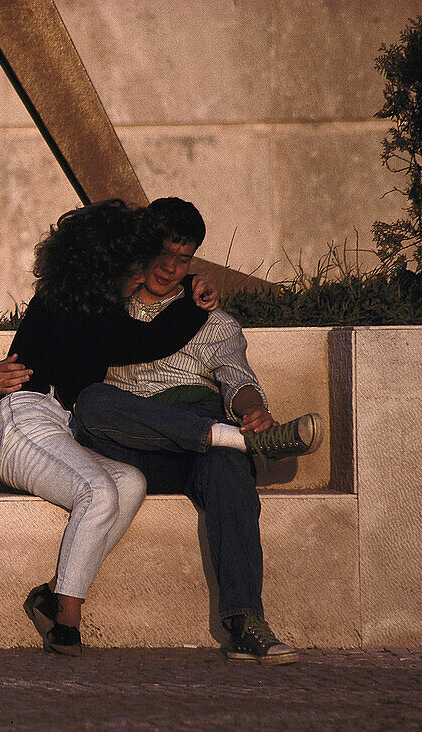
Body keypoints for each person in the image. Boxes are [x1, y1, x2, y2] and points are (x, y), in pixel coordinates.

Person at [70, 197, 321, 665]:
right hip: (131, 441)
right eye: (162, 254)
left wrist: (255, 411)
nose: (170, 268)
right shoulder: (109, 311)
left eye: (183, 259)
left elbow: (237, 377)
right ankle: (238, 441)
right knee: (92, 402)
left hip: (197, 434)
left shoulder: (214, 321)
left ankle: (246, 622)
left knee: (227, 467)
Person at [0, 200, 217, 656]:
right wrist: (193, 297)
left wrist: (189, 285)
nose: (142, 275)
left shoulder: (83, 302)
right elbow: (148, 340)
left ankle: (52, 593)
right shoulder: (72, 309)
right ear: (105, 268)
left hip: (55, 425)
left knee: (130, 482)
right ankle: (66, 618)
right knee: (100, 492)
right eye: (135, 267)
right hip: (24, 420)